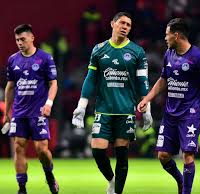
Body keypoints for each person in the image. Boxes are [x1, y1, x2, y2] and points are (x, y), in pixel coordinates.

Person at [72, 12, 153, 194]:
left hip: (126, 111)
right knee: (98, 152)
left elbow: (142, 82)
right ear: (112, 24)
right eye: (122, 23)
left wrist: (147, 109)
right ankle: (112, 180)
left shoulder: (137, 52)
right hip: (104, 110)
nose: (125, 27)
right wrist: (82, 105)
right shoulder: (99, 49)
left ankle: (117, 192)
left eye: (129, 25)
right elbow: (90, 79)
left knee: (122, 157)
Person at [138, 18, 200, 194]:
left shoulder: (199, 57)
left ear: (176, 35)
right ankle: (181, 182)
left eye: (167, 34)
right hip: (170, 113)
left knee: (187, 154)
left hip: (191, 114)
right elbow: (163, 80)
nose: (165, 38)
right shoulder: (168, 54)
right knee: (163, 156)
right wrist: (147, 98)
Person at [1, 24, 59, 194]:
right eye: (17, 40)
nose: (19, 43)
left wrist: (48, 104)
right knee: (18, 147)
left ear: (32, 38)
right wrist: (7, 113)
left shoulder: (45, 58)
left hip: (38, 113)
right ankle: (22, 188)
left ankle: (49, 175)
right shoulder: (13, 60)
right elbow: (10, 87)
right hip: (19, 113)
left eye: (23, 39)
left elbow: (53, 83)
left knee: (42, 150)